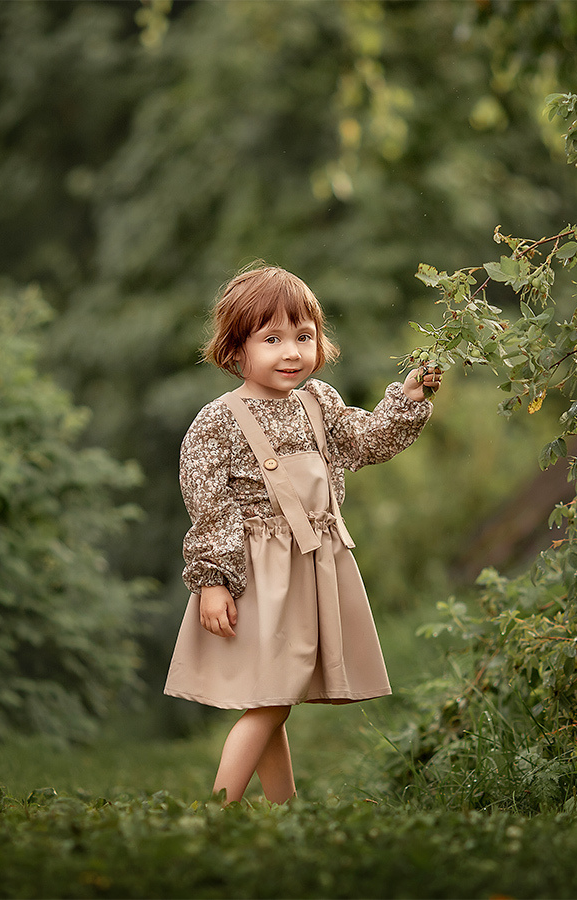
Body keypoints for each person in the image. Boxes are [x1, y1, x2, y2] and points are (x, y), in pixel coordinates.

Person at [164, 264, 442, 804]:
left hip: (312, 568)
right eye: (272, 339)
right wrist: (213, 580)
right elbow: (209, 505)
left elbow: (367, 441)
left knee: (272, 694)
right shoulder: (217, 422)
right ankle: (215, 813)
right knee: (272, 698)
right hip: (256, 576)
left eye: (303, 336)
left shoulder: (320, 402)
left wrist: (407, 400)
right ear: (236, 349)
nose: (291, 352)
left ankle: (284, 811)